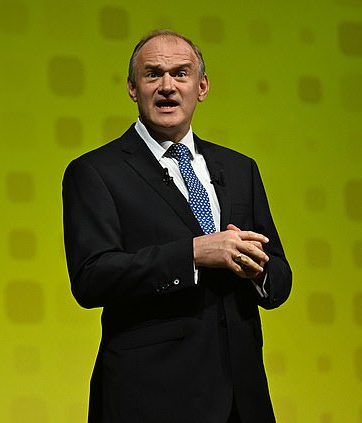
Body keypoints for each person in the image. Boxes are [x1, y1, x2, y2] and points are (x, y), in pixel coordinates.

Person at [62, 29, 292, 423]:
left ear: (201, 87)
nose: (167, 86)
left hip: (243, 398)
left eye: (180, 74)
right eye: (153, 74)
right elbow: (91, 277)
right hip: (150, 397)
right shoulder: (96, 172)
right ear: (132, 88)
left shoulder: (240, 169)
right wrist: (194, 254)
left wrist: (259, 270)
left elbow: (280, 276)